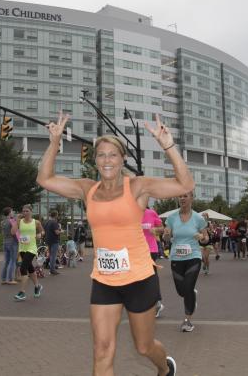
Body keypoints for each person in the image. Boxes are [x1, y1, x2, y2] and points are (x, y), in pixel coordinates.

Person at [36, 112, 193, 376]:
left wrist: (168, 145)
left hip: (139, 279)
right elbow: (45, 179)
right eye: (101, 155)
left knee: (143, 347)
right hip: (105, 280)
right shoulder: (88, 189)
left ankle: (165, 368)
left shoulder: (138, 187)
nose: (106, 160)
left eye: (112, 154)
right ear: (95, 160)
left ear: (122, 159)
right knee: (102, 349)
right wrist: (54, 142)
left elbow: (185, 184)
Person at [163, 191, 207, 332]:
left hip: (193, 257)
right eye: (180, 196)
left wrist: (201, 236)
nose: (182, 198)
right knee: (181, 291)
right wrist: (166, 235)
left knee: (187, 288)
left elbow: (206, 239)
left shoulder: (198, 218)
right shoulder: (171, 218)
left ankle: (187, 321)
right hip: (176, 257)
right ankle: (191, 293)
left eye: (185, 196)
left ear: (191, 198)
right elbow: (166, 238)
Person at [11, 204, 45, 301]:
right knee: (30, 269)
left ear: (31, 212)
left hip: (32, 248)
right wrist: (16, 221)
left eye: (27, 211)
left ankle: (22, 292)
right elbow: (13, 233)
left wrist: (40, 235)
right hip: (22, 248)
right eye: (23, 211)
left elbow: (43, 232)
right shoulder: (20, 221)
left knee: (23, 268)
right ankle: (37, 286)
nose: (25, 213)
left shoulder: (36, 222)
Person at [142, 206, 164, 317]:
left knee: (150, 276)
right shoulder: (131, 214)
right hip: (135, 251)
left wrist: (155, 230)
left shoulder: (151, 213)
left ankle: (157, 302)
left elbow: (162, 228)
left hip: (151, 250)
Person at [1, 207, 19, 285]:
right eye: (12, 211)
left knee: (7, 261)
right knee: (12, 260)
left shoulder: (3, 222)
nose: (13, 212)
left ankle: (3, 279)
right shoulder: (12, 221)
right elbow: (14, 232)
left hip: (5, 242)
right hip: (12, 242)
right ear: (9, 213)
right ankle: (10, 279)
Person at [44, 210, 62, 275]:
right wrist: (61, 231)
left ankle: (51, 267)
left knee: (51, 255)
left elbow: (44, 230)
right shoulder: (54, 222)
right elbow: (57, 232)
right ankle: (52, 270)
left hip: (48, 240)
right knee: (53, 256)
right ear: (56, 215)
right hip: (54, 240)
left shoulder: (47, 222)